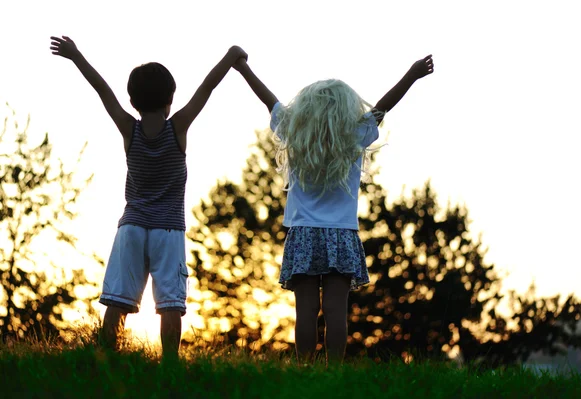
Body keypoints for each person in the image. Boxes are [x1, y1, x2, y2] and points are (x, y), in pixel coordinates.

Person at [50, 35, 247, 358]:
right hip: (168, 230)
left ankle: (105, 361)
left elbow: (103, 90)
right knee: (170, 304)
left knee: (117, 300)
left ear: (132, 101)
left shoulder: (130, 129)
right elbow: (207, 89)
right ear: (171, 98)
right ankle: (170, 367)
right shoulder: (178, 126)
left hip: (131, 228)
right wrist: (231, 56)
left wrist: (75, 55)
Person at [233, 54, 434, 364]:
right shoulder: (353, 136)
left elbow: (269, 100)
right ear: (345, 110)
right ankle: (334, 372)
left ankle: (303, 369)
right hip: (342, 235)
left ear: (305, 110)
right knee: (336, 311)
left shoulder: (295, 132)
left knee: (306, 312)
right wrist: (413, 74)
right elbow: (382, 107)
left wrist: (243, 67)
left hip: (303, 235)